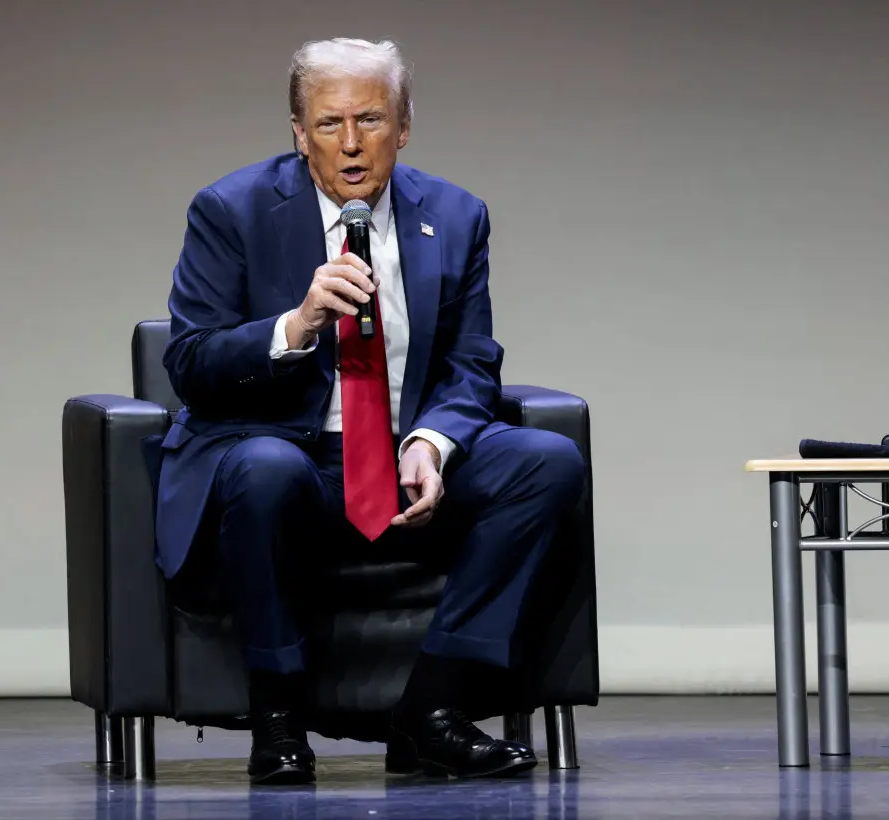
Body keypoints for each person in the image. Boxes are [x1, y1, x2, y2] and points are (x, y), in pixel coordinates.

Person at [157, 38, 585, 785]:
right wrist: (294, 326)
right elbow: (190, 364)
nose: (351, 145)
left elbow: (471, 361)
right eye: (329, 125)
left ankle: (432, 711)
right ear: (297, 132)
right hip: (278, 453)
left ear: (406, 125)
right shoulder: (232, 210)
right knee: (265, 469)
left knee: (544, 462)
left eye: (371, 120)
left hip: (395, 454)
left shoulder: (454, 216)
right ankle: (279, 719)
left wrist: (432, 442)